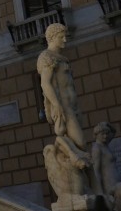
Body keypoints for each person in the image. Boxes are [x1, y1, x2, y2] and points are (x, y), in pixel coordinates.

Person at [37, 23, 89, 167]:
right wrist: (56, 105)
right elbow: (45, 84)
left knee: (82, 145)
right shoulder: (46, 57)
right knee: (80, 143)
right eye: (61, 37)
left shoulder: (63, 59)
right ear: (52, 38)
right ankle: (62, 145)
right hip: (64, 107)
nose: (65, 40)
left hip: (74, 106)